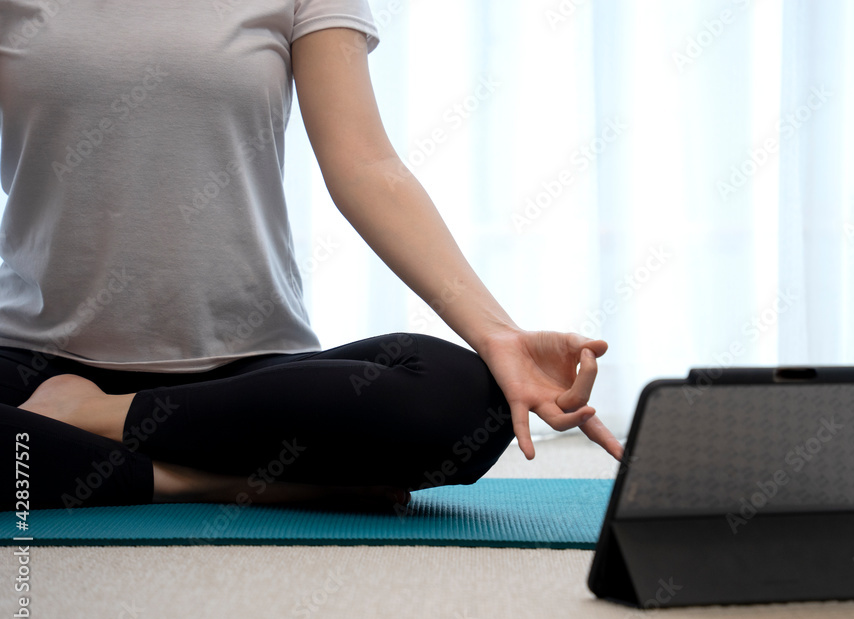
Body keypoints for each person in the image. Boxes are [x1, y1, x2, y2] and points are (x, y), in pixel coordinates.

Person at [0, 0, 622, 512]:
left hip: (247, 377)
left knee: (459, 397)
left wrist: (498, 335)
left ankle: (87, 424)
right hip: (32, 360)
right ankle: (209, 480)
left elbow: (366, 165)